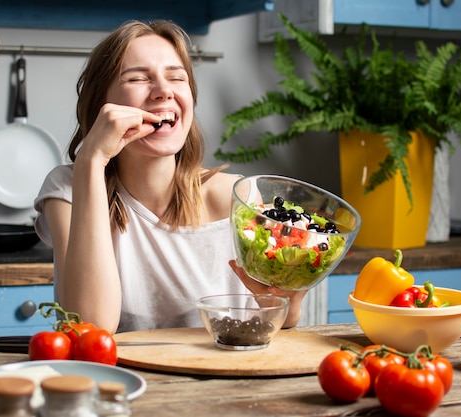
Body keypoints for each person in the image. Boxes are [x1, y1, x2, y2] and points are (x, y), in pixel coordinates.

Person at [34, 19, 305, 334]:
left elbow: (276, 320)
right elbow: (91, 328)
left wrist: (289, 303)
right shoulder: (68, 189)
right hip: (120, 381)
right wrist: (91, 159)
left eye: (177, 78)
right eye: (137, 78)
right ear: (101, 104)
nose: (164, 91)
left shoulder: (237, 198)